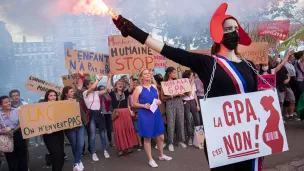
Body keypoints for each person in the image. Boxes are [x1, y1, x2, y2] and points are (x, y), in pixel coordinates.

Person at [112, 2, 264, 170]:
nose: (233, 32)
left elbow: (256, 99)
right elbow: (168, 50)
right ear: (219, 33)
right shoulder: (207, 63)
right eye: (228, 29)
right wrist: (133, 31)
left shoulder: (249, 65)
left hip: (249, 135)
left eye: (236, 28)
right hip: (221, 138)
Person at [132, 69, 172, 167]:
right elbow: (134, 104)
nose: (148, 75)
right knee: (147, 137)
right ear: (141, 77)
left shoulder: (154, 86)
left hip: (156, 113)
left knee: (161, 136)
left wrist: (159, 101)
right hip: (145, 115)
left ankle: (161, 155)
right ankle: (150, 159)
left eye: (149, 73)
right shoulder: (138, 88)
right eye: (145, 74)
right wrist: (143, 105)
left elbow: (158, 99)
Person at [106, 73, 138, 156]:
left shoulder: (125, 92)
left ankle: (128, 148)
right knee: (119, 131)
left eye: (121, 84)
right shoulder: (113, 94)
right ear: (116, 86)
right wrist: (109, 78)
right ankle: (121, 148)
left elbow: (131, 88)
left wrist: (131, 78)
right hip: (117, 114)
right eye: (118, 84)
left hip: (126, 113)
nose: (120, 85)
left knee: (127, 129)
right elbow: (107, 88)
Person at [83, 75, 111, 161]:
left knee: (102, 134)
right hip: (91, 114)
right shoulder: (85, 93)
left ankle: (105, 150)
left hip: (99, 114)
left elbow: (107, 90)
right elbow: (92, 88)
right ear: (87, 85)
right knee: (92, 136)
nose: (93, 84)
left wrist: (109, 78)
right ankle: (93, 153)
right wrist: (98, 79)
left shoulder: (97, 93)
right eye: (91, 83)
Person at [61, 86, 88, 171]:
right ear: (66, 94)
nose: (73, 93)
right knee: (74, 144)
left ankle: (76, 162)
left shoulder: (75, 100)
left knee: (80, 144)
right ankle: (78, 161)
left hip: (79, 124)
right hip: (69, 127)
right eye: (71, 92)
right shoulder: (61, 103)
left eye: (73, 91)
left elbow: (80, 112)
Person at [161, 67, 187, 152]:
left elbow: (186, 93)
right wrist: (173, 95)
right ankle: (170, 143)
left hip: (179, 103)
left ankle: (180, 140)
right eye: (173, 73)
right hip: (170, 104)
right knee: (171, 123)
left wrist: (182, 93)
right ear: (169, 73)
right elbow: (162, 97)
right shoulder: (164, 84)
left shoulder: (178, 82)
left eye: (175, 73)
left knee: (180, 122)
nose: (174, 74)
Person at [0, 96, 27, 171]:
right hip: (6, 137)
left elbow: (22, 122)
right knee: (11, 159)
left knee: (22, 157)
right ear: (1, 105)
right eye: (5, 102)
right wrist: (3, 131)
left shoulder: (16, 111)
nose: (8, 103)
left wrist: (14, 129)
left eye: (9, 101)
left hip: (18, 134)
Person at [8, 89, 31, 170]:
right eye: (13, 96)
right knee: (14, 149)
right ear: (11, 97)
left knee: (25, 149)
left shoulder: (25, 104)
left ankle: (26, 166)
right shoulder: (9, 106)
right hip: (13, 131)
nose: (15, 97)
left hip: (24, 129)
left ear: (19, 95)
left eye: (17, 95)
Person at [42, 90, 65, 171]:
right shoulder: (42, 107)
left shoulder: (59, 105)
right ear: (47, 97)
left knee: (60, 156)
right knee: (57, 156)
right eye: (50, 95)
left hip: (59, 134)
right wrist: (46, 129)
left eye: (54, 95)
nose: (53, 97)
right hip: (49, 135)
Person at [182, 70, 201, 146]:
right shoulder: (184, 83)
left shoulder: (193, 84)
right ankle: (190, 137)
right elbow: (189, 93)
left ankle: (199, 137)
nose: (193, 77)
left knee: (197, 119)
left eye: (193, 75)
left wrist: (197, 104)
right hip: (185, 102)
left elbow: (194, 94)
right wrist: (191, 83)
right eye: (191, 75)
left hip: (193, 101)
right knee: (188, 120)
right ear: (188, 76)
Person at [128, 76, 144, 151]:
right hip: (134, 112)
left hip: (142, 111)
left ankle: (147, 141)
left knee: (144, 127)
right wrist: (130, 111)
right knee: (137, 128)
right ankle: (140, 143)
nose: (135, 84)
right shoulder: (129, 95)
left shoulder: (142, 92)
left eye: (136, 83)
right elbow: (128, 104)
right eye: (133, 83)